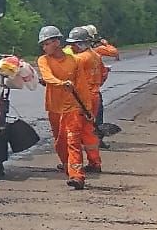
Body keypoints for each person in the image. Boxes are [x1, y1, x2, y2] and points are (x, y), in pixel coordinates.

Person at [36, 24, 102, 189]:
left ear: (56, 42)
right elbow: (47, 77)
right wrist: (61, 83)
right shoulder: (43, 60)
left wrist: (87, 110)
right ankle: (68, 166)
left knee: (73, 140)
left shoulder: (74, 61)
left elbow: (81, 87)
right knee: (60, 143)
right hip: (54, 108)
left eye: (46, 43)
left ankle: (77, 176)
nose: (44, 47)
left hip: (73, 108)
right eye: (43, 45)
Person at [63, 27, 108, 174]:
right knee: (89, 130)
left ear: (82, 44)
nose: (72, 47)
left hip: (83, 98)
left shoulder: (80, 59)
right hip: (94, 95)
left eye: (74, 44)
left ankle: (74, 166)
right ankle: (95, 162)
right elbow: (103, 75)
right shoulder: (95, 56)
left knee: (74, 131)